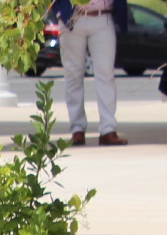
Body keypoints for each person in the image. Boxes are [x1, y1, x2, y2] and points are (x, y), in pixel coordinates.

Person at [49, 0, 129, 145]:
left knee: (106, 74)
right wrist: (59, 11)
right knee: (73, 75)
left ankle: (108, 129)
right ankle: (77, 129)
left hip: (103, 16)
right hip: (72, 17)